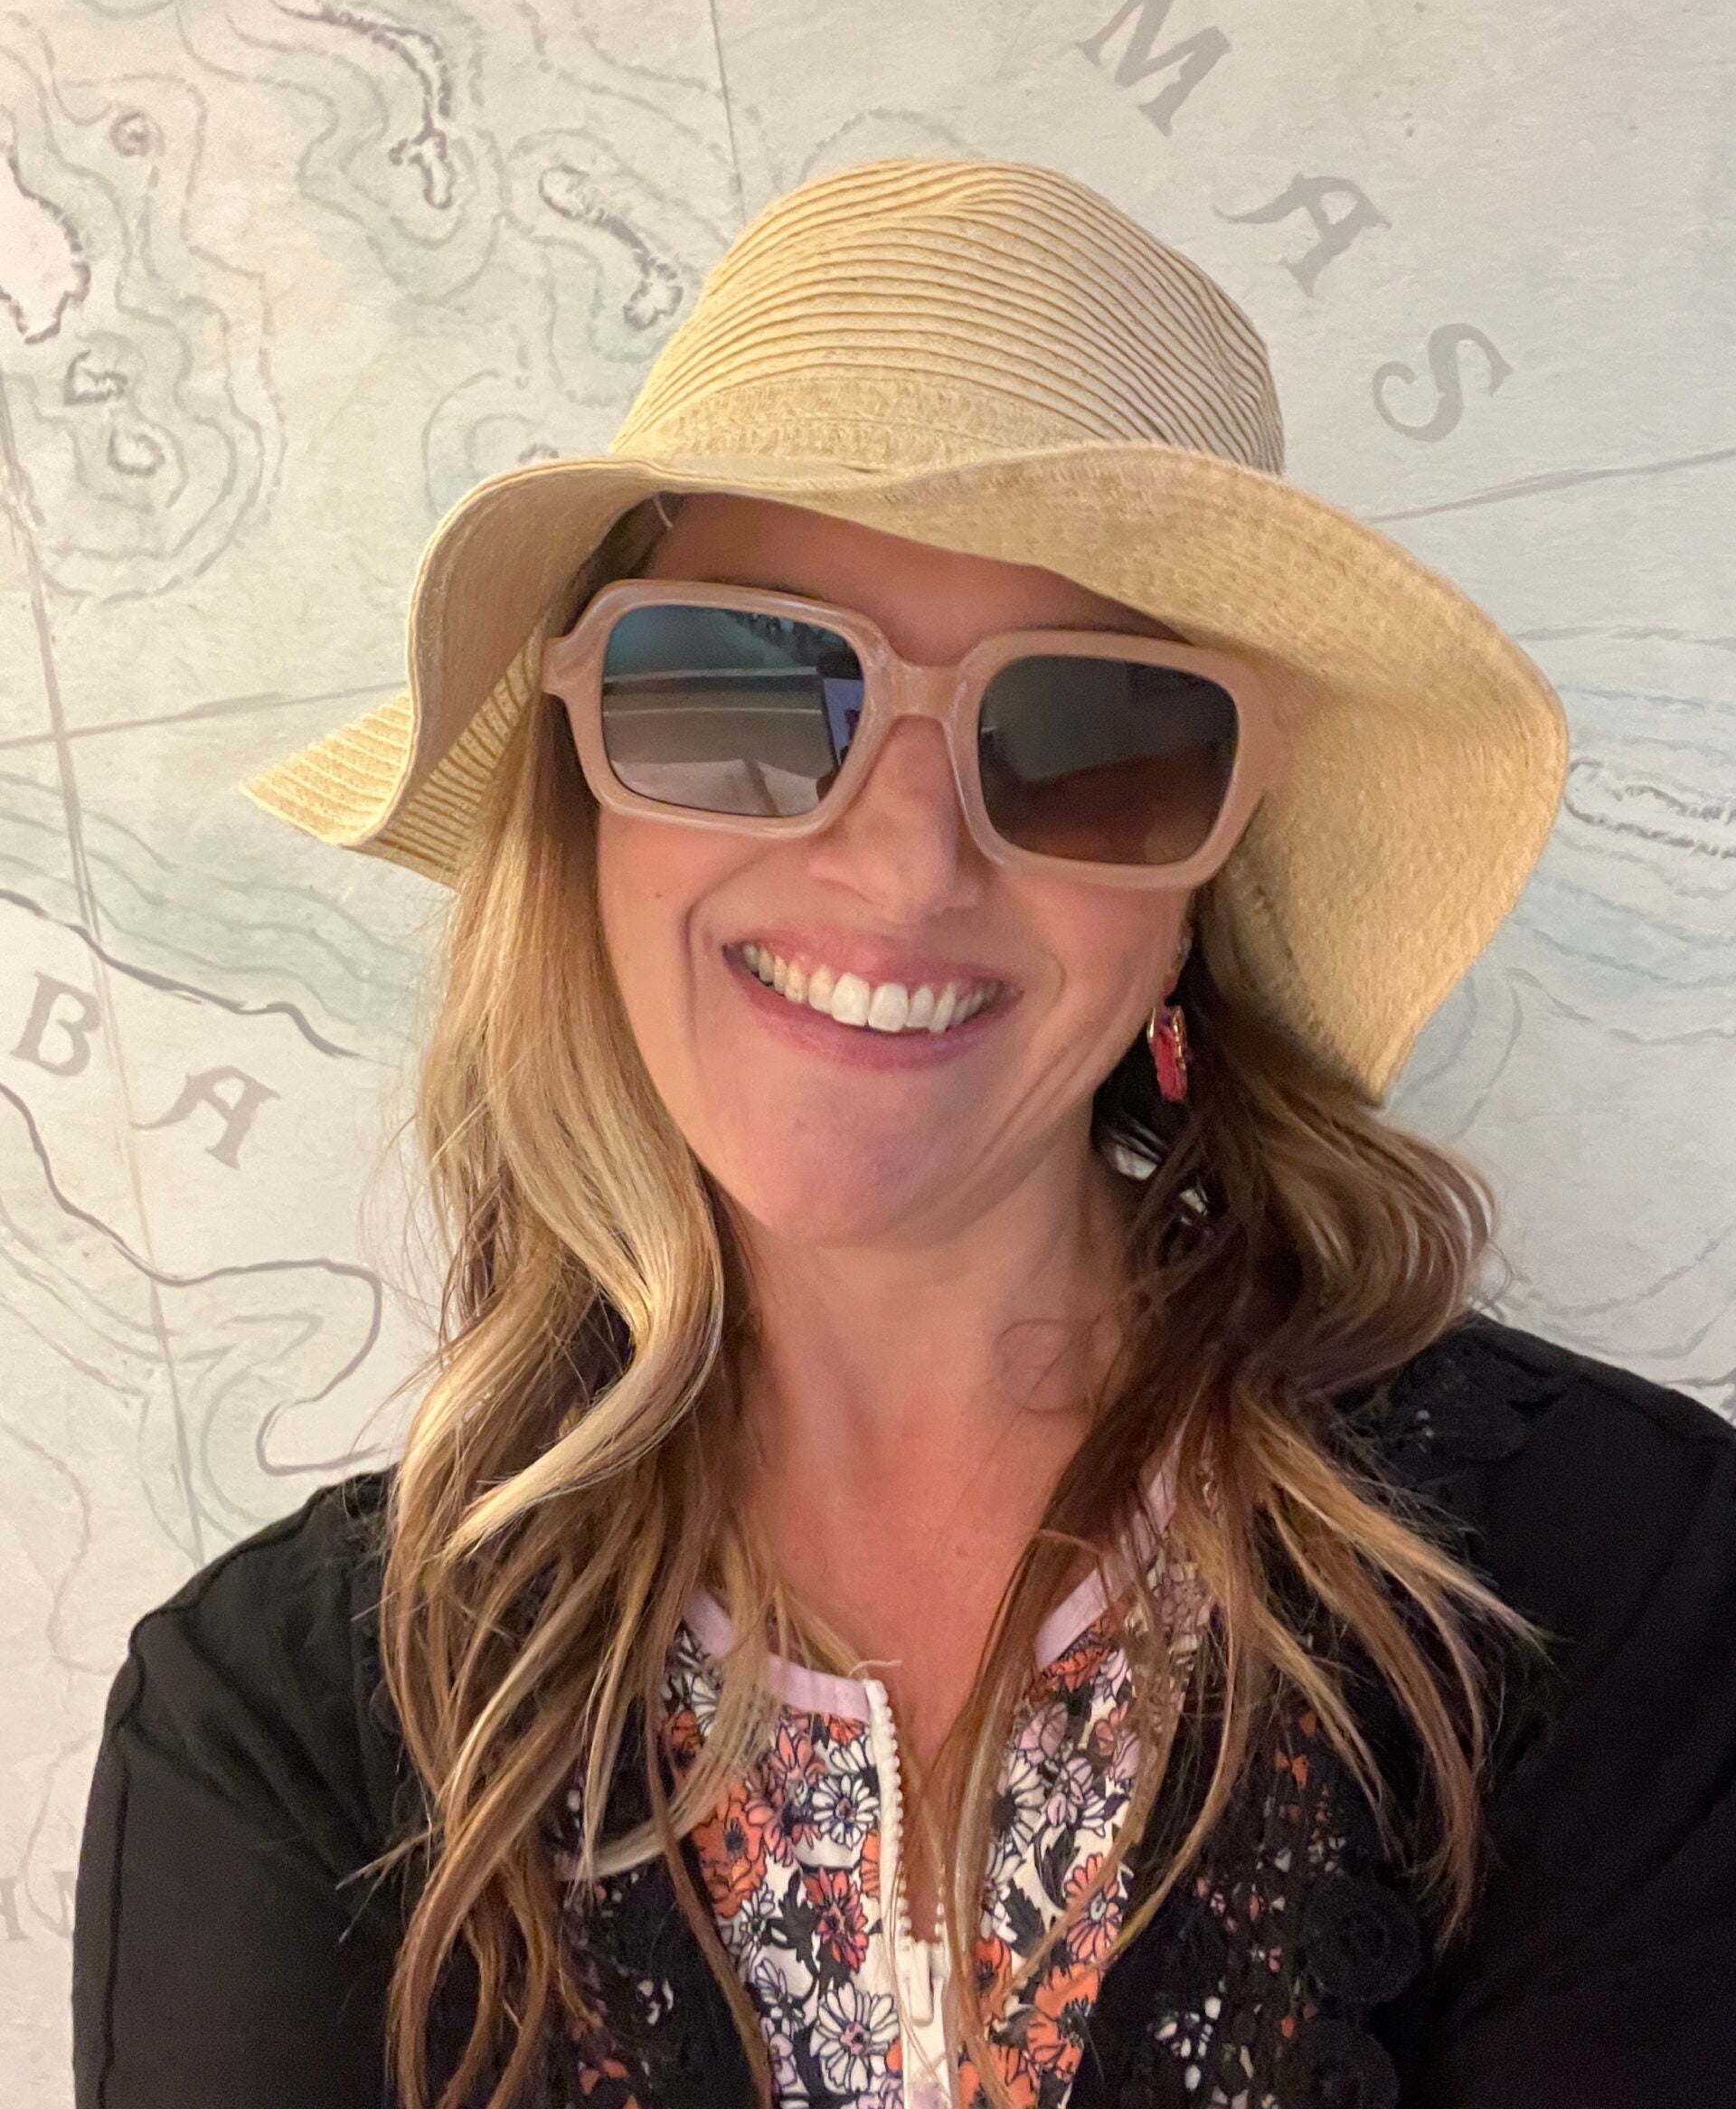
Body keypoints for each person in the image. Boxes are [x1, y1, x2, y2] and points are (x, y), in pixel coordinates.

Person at [71, 157, 1736, 2109]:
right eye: (746, 688)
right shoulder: (275, 1731)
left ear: (1195, 893)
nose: (905, 860)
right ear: (584, 800)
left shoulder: (1605, 1590)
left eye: (1091, 736)